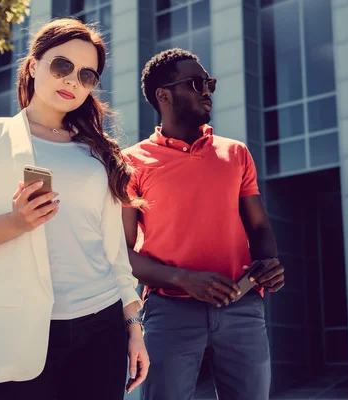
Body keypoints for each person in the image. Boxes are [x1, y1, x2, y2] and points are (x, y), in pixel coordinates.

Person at [0, 18, 149, 400]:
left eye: (86, 75)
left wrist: (134, 326)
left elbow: (114, 251)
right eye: (62, 66)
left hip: (101, 326)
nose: (72, 81)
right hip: (16, 332)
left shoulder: (100, 153)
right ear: (34, 66)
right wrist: (17, 222)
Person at [121, 48, 285, 400]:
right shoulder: (130, 163)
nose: (207, 90)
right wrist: (184, 279)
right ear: (163, 95)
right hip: (169, 311)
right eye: (196, 83)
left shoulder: (236, 153)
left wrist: (270, 263)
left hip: (242, 308)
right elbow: (122, 254)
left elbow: (258, 227)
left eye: (208, 82)